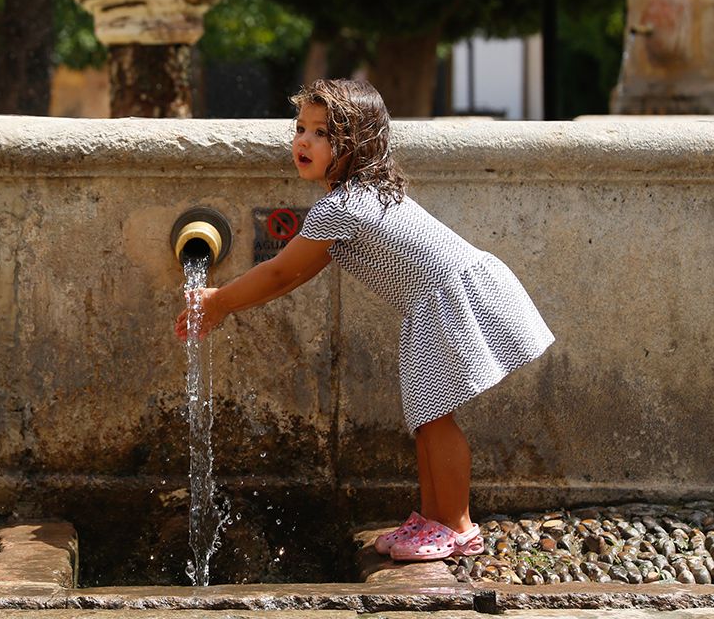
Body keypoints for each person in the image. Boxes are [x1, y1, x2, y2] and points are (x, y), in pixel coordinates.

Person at [175, 78, 554, 562]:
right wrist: (226, 302)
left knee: (436, 421)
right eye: (300, 129)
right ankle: (434, 518)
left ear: (356, 145)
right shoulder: (360, 196)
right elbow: (295, 275)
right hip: (441, 299)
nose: (304, 142)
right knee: (429, 418)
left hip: (448, 300)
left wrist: (222, 301)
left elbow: (279, 271)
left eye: (322, 133)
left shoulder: (343, 205)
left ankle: (457, 526)